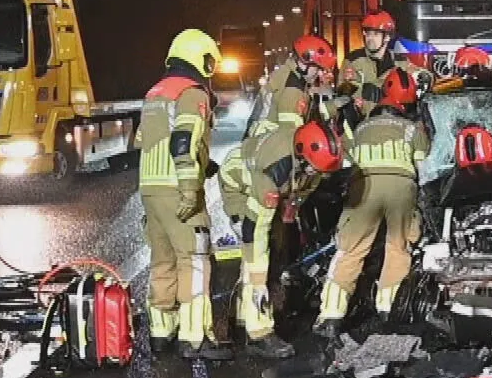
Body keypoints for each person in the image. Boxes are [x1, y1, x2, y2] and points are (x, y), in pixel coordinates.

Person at [230, 59, 335, 360]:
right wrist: (260, 267)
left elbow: (303, 187)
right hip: (238, 186)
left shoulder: (305, 161)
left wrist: (293, 207)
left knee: (263, 259)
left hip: (262, 177)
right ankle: (259, 333)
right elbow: (255, 230)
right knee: (257, 261)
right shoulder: (274, 173)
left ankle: (244, 317)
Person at [316, 68, 430, 342]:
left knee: (350, 250)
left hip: (363, 188)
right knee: (398, 248)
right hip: (401, 189)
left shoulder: (362, 127)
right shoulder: (413, 128)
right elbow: (424, 165)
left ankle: (331, 316)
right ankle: (387, 311)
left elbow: (348, 159)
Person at [138, 29, 226, 360]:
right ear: (198, 57)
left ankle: (161, 333)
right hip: (177, 187)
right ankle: (195, 337)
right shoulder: (191, 93)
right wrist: (191, 187)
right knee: (195, 260)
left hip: (150, 188)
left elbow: (144, 140)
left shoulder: (154, 93)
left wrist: (207, 163)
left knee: (162, 261)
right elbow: (182, 141)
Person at [338, 11, 401, 124]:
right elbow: (344, 95)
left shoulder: (400, 61)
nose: (370, 38)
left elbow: (419, 74)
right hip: (363, 125)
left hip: (392, 123)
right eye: (368, 33)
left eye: (375, 34)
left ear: (387, 37)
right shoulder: (353, 60)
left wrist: (425, 77)